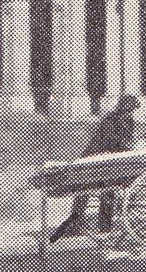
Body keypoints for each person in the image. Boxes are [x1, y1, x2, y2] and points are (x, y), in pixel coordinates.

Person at [48, 93, 139, 243]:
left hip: (112, 162)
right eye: (129, 109)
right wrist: (127, 146)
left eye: (132, 109)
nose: (131, 112)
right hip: (94, 160)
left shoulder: (129, 121)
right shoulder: (110, 120)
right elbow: (110, 141)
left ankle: (104, 225)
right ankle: (76, 224)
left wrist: (130, 146)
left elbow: (127, 141)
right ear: (123, 107)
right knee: (84, 190)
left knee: (107, 191)